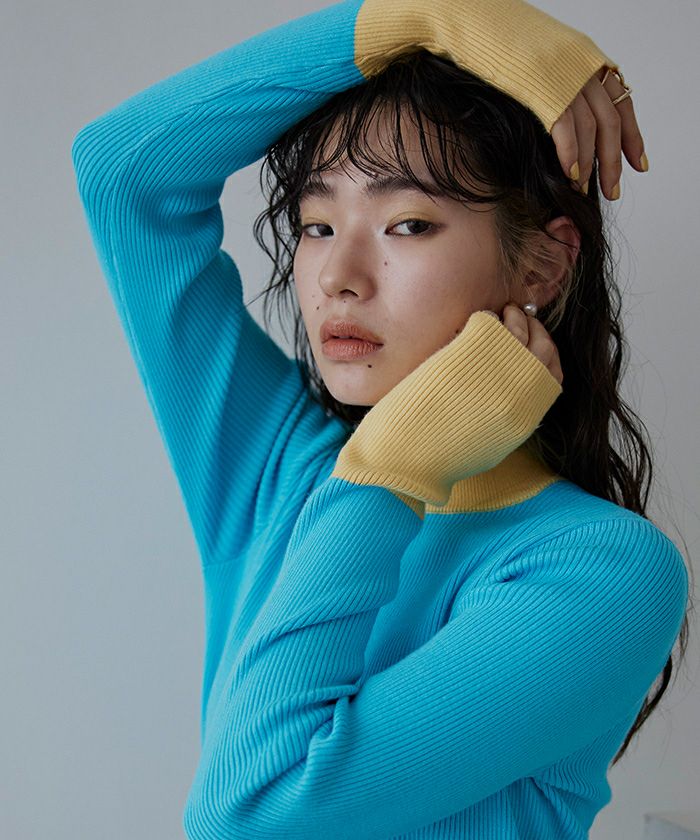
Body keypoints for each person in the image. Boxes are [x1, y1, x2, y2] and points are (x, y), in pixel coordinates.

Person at [71, 0, 690, 837]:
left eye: (408, 224)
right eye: (317, 225)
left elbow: (250, 813)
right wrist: (425, 15)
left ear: (543, 267)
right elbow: (121, 171)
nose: (339, 276)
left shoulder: (603, 571)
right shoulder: (280, 466)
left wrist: (393, 468)